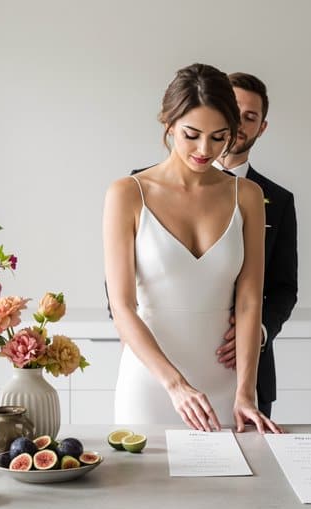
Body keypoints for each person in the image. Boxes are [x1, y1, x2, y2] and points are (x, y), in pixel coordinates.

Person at [103, 63, 282, 434]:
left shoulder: (247, 195)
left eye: (219, 137)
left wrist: (246, 392)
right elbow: (122, 306)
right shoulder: (127, 194)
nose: (205, 150)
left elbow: (250, 302)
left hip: (226, 386)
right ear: (169, 124)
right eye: (191, 134)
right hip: (152, 386)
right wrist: (175, 385)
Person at [213, 73, 298, 419]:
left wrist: (258, 333)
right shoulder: (154, 185)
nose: (239, 122)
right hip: (170, 365)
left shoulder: (278, 200)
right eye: (233, 111)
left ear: (262, 127)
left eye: (250, 116)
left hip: (250, 377)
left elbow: (283, 288)